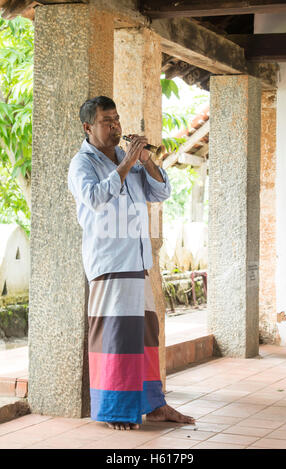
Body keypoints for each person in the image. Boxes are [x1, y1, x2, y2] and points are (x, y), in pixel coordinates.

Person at [67, 96, 195, 430]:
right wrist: (124, 167)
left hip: (137, 262)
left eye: (117, 119)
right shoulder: (81, 164)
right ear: (88, 127)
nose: (115, 126)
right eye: (106, 121)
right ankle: (114, 410)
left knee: (146, 337)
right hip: (109, 263)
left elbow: (160, 193)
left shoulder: (130, 158)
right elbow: (95, 199)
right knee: (115, 338)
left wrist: (146, 161)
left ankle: (154, 405)